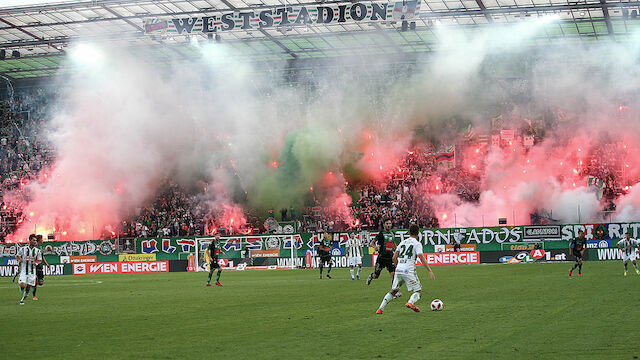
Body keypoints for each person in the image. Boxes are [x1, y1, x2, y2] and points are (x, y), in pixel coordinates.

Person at [376, 224, 435, 314]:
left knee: (394, 291)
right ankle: (410, 302)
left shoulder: (403, 242)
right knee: (418, 291)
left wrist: (397, 267)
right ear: (418, 233)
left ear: (409, 232)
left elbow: (394, 258)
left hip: (399, 269)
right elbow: (421, 257)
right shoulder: (417, 244)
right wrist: (429, 270)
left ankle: (380, 309)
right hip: (409, 270)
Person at [366, 218, 397, 285]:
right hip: (381, 258)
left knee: (393, 274)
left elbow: (394, 244)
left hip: (390, 257)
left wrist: (397, 252)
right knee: (376, 275)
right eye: (387, 224)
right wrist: (375, 247)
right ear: (384, 225)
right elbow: (372, 243)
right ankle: (371, 276)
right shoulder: (380, 234)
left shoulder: (392, 234)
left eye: (389, 223)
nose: (388, 225)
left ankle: (394, 292)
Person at [16, 234, 42, 305]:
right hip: (24, 271)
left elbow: (39, 260)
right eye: (34, 240)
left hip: (32, 272)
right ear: (30, 240)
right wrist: (20, 259)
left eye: (36, 241)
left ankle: (22, 299)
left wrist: (36, 263)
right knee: (23, 285)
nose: (35, 242)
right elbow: (17, 256)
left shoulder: (37, 251)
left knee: (28, 287)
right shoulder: (23, 249)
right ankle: (21, 288)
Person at [32, 234, 49, 300]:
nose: (43, 240)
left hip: (40, 266)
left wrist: (46, 264)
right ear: (39, 240)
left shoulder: (41, 248)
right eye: (42, 239)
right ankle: (34, 296)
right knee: (35, 281)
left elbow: (42, 257)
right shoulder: (34, 248)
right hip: (34, 266)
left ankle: (31, 283)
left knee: (41, 283)